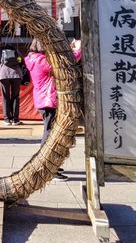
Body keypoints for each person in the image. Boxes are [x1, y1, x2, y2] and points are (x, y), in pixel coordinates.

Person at [24, 38, 81, 181]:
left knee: (50, 132)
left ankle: (51, 164)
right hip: (48, 100)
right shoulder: (41, 61)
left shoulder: (34, 58)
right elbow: (65, 63)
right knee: (50, 134)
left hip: (45, 99)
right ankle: (47, 167)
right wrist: (78, 50)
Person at [0, 43, 23, 125]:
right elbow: (20, 61)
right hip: (16, 74)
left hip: (4, 75)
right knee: (15, 97)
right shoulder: (16, 51)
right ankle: (15, 120)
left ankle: (7, 119)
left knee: (5, 97)